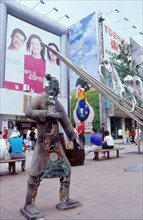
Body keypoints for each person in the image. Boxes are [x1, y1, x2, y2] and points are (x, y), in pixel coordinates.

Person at [20, 74, 80, 219]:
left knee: (66, 169)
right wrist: (47, 114)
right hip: (42, 144)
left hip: (55, 144)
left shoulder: (57, 103)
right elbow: (28, 112)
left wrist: (74, 138)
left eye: (58, 89)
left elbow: (65, 121)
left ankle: (64, 200)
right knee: (35, 173)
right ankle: (28, 204)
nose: (57, 91)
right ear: (50, 87)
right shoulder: (40, 99)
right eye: (56, 88)